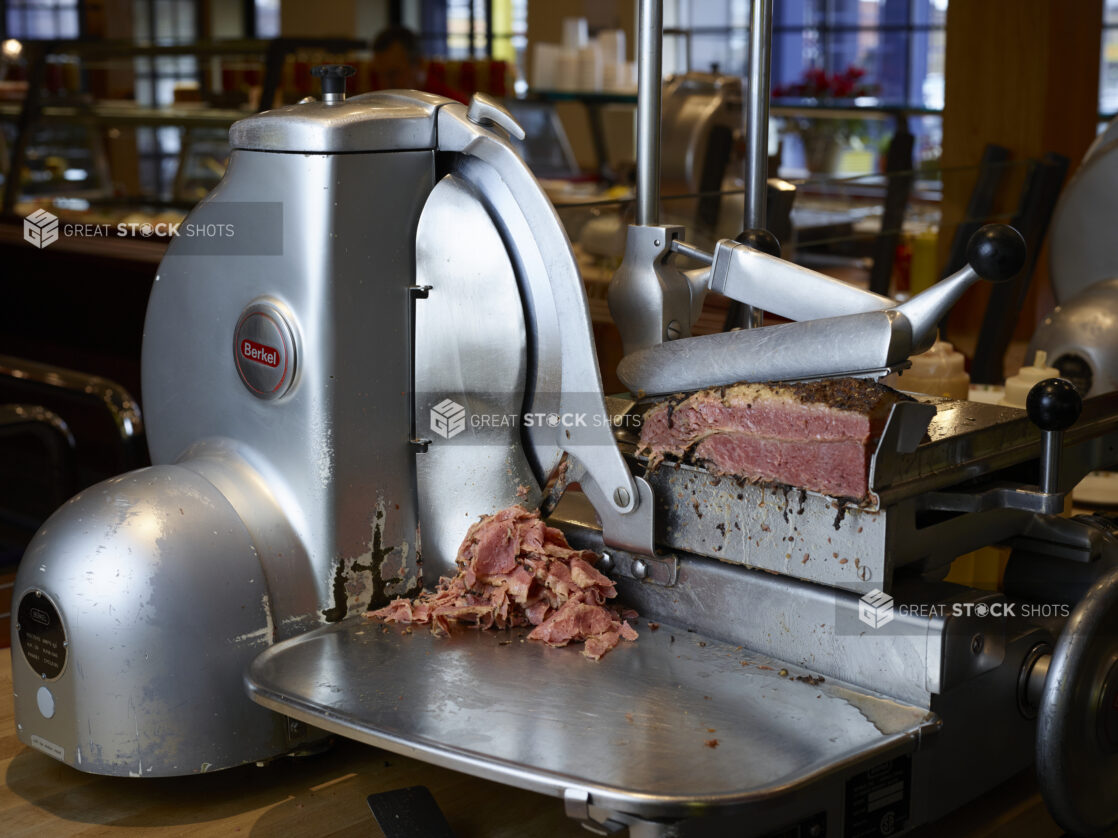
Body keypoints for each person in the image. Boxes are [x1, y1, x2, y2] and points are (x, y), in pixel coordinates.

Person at [371, 26, 468, 103]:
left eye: (393, 74)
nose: (384, 84)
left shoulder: (451, 106)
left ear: (419, 64)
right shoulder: (374, 103)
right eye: (379, 75)